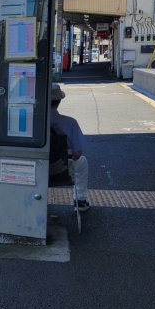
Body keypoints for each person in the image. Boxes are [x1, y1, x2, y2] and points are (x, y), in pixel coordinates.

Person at [50, 83, 90, 212]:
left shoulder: (31, 121)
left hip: (35, 167)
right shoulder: (70, 122)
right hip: (60, 168)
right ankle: (80, 200)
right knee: (82, 162)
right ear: (59, 101)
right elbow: (77, 153)